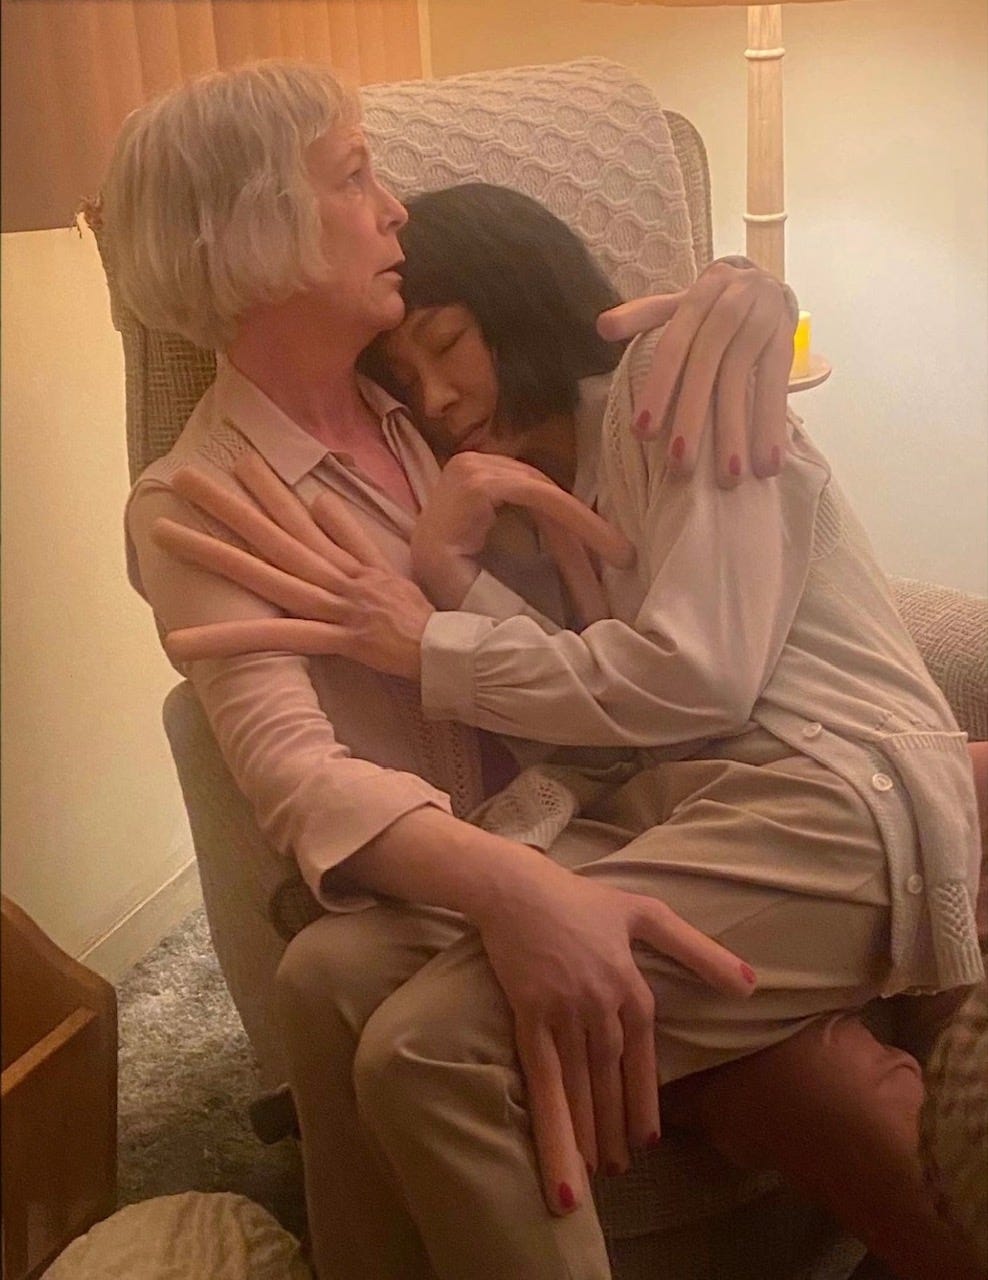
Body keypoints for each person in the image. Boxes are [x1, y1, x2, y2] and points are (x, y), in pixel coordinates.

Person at [101, 63, 984, 1280]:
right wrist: (517, 887)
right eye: (354, 176)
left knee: (431, 1045)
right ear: (259, 230)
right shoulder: (205, 500)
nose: (393, 206)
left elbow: (656, 632)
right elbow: (299, 774)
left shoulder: (460, 414)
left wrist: (745, 294)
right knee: (320, 974)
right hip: (543, 838)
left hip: (659, 808)